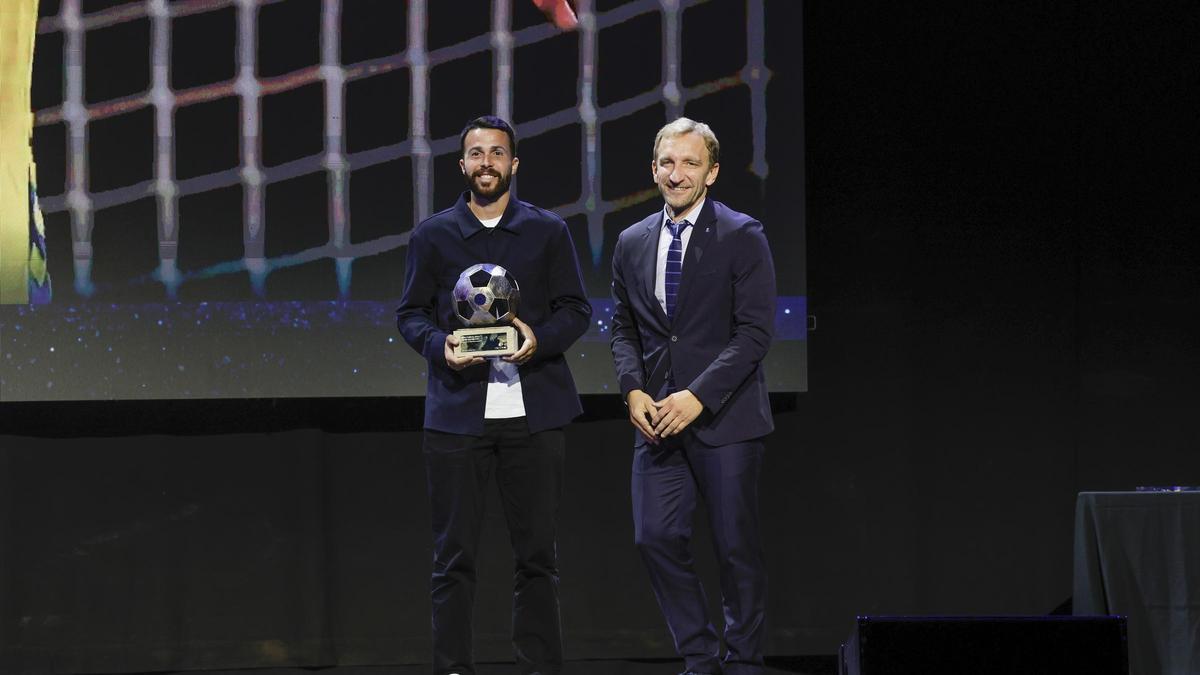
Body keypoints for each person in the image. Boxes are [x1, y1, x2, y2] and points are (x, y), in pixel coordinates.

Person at [397, 115, 592, 675]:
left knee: (537, 559)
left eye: (497, 153)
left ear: (514, 163)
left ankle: (540, 668)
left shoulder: (548, 231)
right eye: (476, 154)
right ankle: (454, 669)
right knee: (452, 560)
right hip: (457, 418)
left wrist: (540, 339)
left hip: (535, 415)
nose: (487, 163)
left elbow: (575, 310)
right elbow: (410, 314)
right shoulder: (432, 235)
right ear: (462, 165)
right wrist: (440, 348)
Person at [609, 118, 776, 675]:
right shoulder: (631, 242)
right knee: (653, 537)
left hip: (725, 418)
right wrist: (632, 389)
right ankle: (701, 658)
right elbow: (625, 329)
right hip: (656, 420)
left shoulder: (741, 234)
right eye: (666, 163)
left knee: (735, 549)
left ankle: (745, 660)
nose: (676, 174)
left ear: (712, 172)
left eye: (689, 163)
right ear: (653, 168)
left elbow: (754, 333)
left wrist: (697, 397)